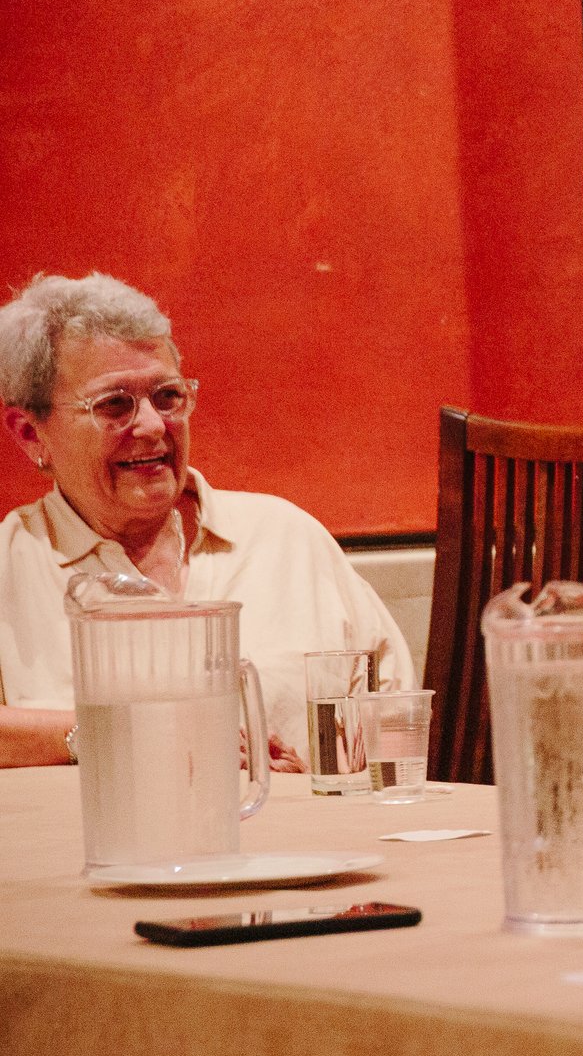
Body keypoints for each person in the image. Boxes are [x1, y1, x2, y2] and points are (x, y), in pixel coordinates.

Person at [0, 272, 413, 768]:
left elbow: (398, 725)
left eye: (168, 397)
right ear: (30, 434)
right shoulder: (11, 566)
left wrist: (313, 781)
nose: (153, 426)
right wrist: (117, 732)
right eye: (114, 405)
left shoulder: (286, 538)